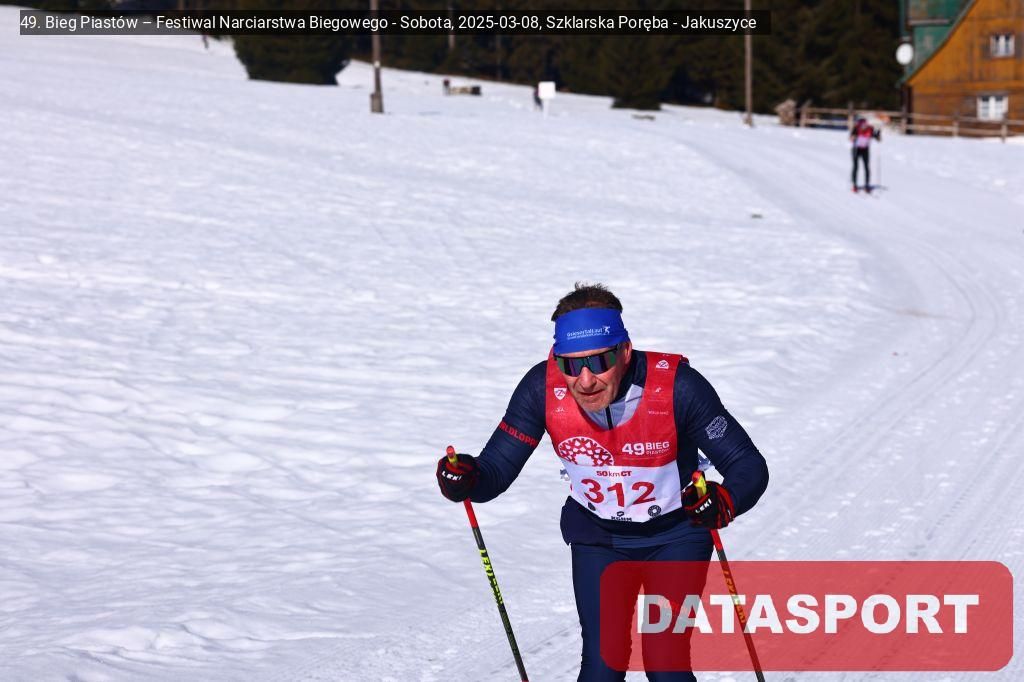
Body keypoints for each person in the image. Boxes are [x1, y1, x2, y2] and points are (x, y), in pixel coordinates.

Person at [436, 283, 769, 681]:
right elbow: (494, 472)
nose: (585, 380)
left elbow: (747, 464)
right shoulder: (541, 389)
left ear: (625, 352)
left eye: (599, 362)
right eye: (570, 364)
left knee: (665, 663)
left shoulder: (678, 387)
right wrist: (465, 477)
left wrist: (725, 499)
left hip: (676, 537)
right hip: (598, 540)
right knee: (601, 667)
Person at [850, 116, 881, 193]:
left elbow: (877, 138)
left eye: (865, 125)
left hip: (865, 149)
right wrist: (853, 137)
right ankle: (854, 185)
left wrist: (878, 136)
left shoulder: (870, 129)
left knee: (866, 167)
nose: (863, 127)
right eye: (862, 125)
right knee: (856, 167)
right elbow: (851, 138)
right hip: (856, 149)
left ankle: (867, 184)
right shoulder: (856, 128)